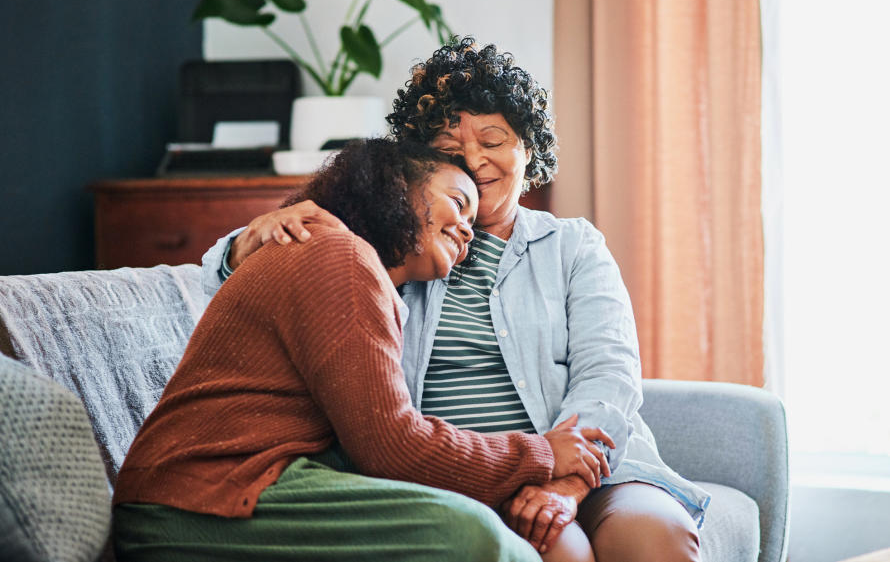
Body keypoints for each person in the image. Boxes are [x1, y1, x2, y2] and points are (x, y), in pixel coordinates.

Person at [204, 39, 711, 562]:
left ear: (528, 149)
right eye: (450, 147)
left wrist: (565, 485)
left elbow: (609, 376)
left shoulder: (573, 246)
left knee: (655, 540)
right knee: (563, 550)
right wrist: (249, 239)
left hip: (591, 472)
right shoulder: (395, 242)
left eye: (493, 140)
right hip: (463, 473)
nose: (473, 159)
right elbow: (260, 275)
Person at [113, 139, 615, 562]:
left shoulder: (359, 270)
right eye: (456, 203)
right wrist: (542, 453)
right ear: (398, 188)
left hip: (237, 489)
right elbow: (393, 447)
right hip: (194, 499)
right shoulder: (340, 256)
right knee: (475, 538)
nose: (467, 228)